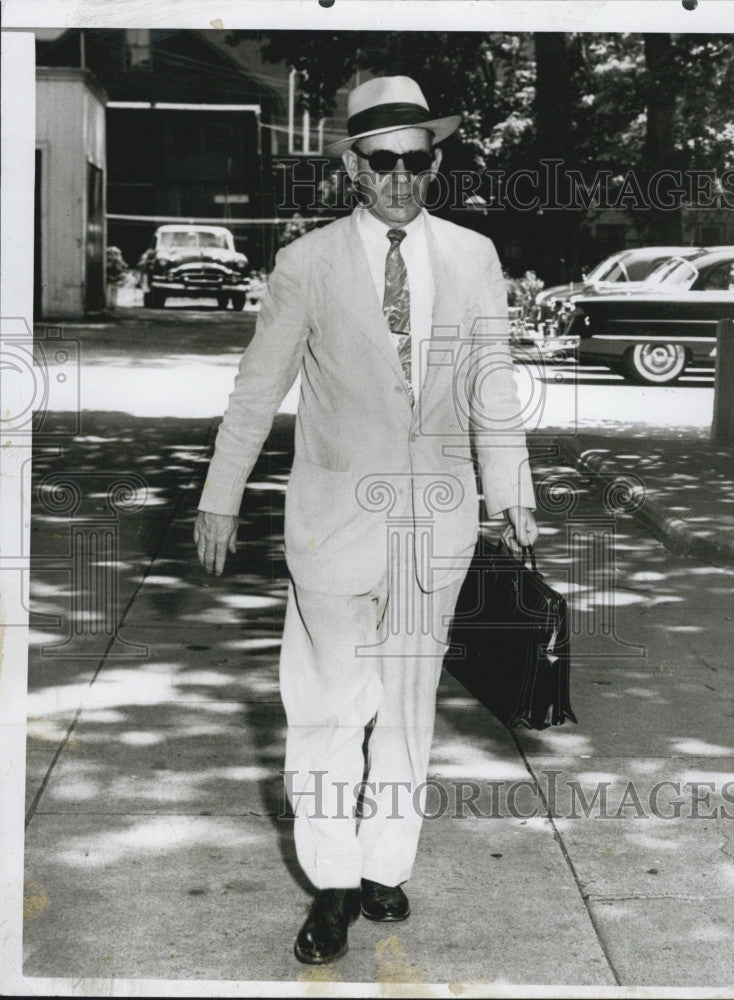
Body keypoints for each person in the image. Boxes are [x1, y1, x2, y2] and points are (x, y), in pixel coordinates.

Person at [194, 75, 538, 965]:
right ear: (353, 164)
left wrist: (512, 490)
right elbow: (256, 389)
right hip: (332, 523)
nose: (399, 179)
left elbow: (492, 380)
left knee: (408, 705)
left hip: (440, 524)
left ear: (435, 162)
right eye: (381, 162)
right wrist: (220, 495)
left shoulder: (471, 255)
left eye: (415, 162)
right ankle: (332, 884)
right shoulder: (306, 265)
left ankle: (387, 863)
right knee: (324, 711)